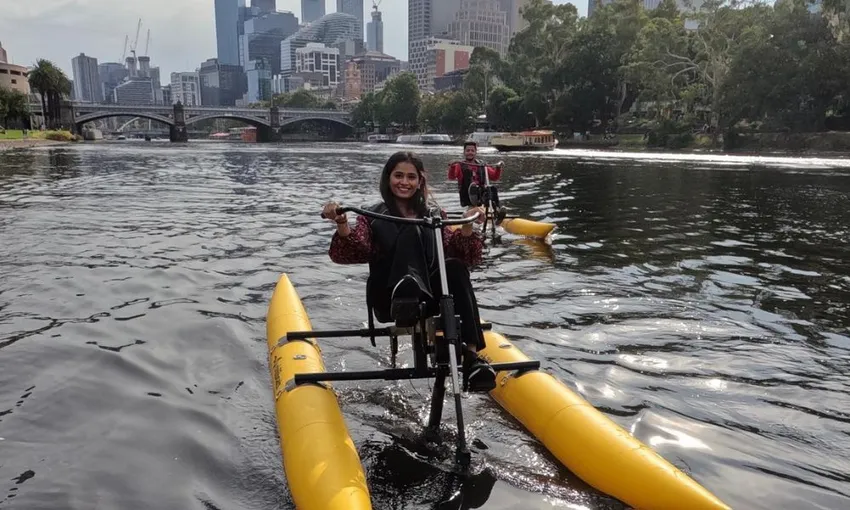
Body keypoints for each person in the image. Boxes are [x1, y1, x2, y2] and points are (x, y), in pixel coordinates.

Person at [323, 151, 497, 392]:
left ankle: (471, 357)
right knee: (410, 231)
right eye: (398, 176)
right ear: (388, 178)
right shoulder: (371, 214)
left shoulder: (434, 215)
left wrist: (467, 226)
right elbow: (356, 249)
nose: (404, 182)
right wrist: (342, 223)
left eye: (411, 177)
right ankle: (406, 288)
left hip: (428, 296)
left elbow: (464, 253)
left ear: (419, 181)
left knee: (455, 267)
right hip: (390, 298)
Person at [447, 141, 506, 223]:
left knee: (492, 189)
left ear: (475, 152)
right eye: (468, 151)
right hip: (468, 195)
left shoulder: (482, 164)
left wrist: (498, 168)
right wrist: (452, 167)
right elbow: (451, 177)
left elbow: (494, 177)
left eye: (472, 151)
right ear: (464, 152)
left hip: (481, 195)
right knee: (474, 189)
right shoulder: (459, 165)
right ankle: (471, 215)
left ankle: (497, 212)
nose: (470, 153)